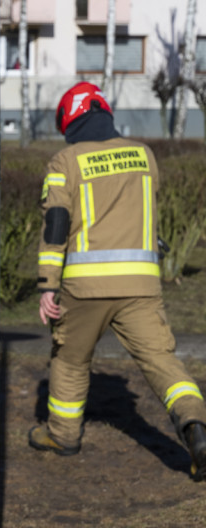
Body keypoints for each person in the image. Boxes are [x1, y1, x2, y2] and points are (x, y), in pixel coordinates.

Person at [28, 81, 206, 479]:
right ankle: (195, 424)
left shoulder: (65, 161)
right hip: (141, 284)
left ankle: (63, 435)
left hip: (85, 287)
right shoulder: (145, 155)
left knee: (71, 360)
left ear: (69, 123)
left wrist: (47, 284)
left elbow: (56, 222)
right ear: (106, 114)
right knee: (160, 359)